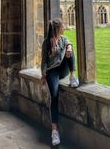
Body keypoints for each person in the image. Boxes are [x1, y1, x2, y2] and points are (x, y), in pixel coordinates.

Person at [41, 18, 79, 146]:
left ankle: (73, 76)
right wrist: (43, 74)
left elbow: (69, 43)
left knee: (70, 48)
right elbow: (44, 61)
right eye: (63, 26)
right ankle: (54, 131)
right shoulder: (46, 43)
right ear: (57, 28)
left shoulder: (64, 39)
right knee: (54, 97)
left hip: (63, 69)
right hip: (52, 72)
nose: (64, 28)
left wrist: (68, 47)